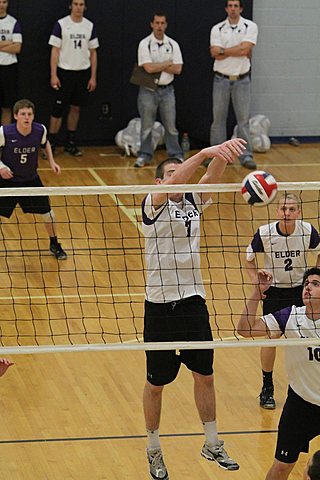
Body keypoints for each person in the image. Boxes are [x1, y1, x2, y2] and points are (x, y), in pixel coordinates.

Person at [141, 137, 246, 479]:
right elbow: (178, 180)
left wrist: (223, 155)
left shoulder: (193, 201)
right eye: (172, 175)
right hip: (159, 305)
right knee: (156, 384)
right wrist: (201, 153)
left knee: (205, 375)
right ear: (160, 181)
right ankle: (154, 448)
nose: (179, 180)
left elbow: (210, 177)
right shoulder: (151, 202)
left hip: (193, 302)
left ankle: (212, 442)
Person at [237, 267, 320, 480]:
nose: (308, 287)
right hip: (301, 406)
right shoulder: (290, 316)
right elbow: (245, 329)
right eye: (306, 284)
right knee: (281, 467)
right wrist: (257, 293)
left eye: (315, 284)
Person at [246, 193, 320, 409]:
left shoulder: (307, 231)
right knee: (272, 338)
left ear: (298, 212)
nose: (287, 213)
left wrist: (314, 277)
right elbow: (249, 259)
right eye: (283, 209)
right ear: (277, 211)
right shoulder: (265, 233)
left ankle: (305, 385)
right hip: (275, 292)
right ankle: (267, 386)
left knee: (309, 335)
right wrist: (256, 285)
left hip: (300, 290)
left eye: (291, 209)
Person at [0, 98, 67, 260]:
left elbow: (46, 144)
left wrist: (52, 162)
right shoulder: (5, 132)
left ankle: (54, 244)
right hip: (8, 182)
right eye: (23, 114)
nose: (26, 117)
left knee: (49, 214)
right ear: (16, 116)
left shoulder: (40, 130)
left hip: (31, 181)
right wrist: (1, 166)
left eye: (29, 114)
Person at [208, 0, 258, 169]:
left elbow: (246, 50)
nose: (233, 9)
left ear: (241, 8)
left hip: (242, 80)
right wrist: (237, 50)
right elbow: (215, 52)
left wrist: (224, 51)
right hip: (221, 79)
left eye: (236, 6)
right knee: (218, 120)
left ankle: (246, 156)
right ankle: (217, 156)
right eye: (230, 6)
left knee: (243, 120)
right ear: (226, 8)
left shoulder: (250, 26)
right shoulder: (217, 28)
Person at [47, 0, 99, 157]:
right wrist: (54, 74)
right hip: (64, 72)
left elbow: (93, 53)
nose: (78, 7)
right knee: (58, 109)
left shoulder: (89, 25)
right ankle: (51, 143)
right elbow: (55, 50)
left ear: (85, 7)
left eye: (81, 4)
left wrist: (93, 77)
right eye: (75, 4)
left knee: (76, 108)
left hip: (82, 72)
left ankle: (70, 143)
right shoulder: (61, 24)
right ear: (71, 6)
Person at [134, 12, 184, 168]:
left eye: (162, 23)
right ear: (152, 24)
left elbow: (178, 69)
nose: (159, 26)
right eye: (157, 23)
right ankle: (145, 155)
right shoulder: (145, 44)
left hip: (167, 90)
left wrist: (160, 66)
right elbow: (148, 68)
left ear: (166, 25)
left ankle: (176, 155)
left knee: (171, 125)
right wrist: (166, 64)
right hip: (148, 90)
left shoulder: (173, 44)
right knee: (146, 125)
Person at [0, 0, 22, 125]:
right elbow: (13, 44)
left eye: (4, 2)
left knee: (7, 107)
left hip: (8, 69)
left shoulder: (13, 22)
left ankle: (3, 139)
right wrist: (9, 42)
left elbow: (17, 47)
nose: (1, 5)